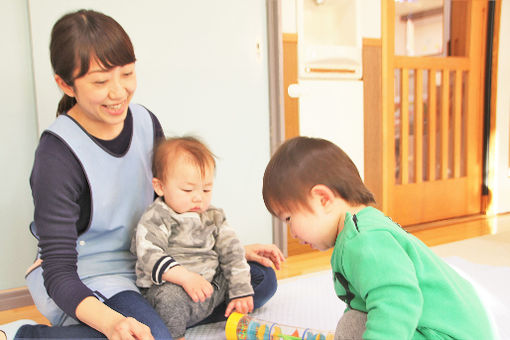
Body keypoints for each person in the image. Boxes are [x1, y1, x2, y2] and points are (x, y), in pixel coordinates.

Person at [1, 9, 283, 340]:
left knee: (260, 279)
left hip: (154, 261)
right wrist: (110, 323)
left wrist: (222, 248)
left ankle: (149, 321)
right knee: (150, 336)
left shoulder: (146, 123)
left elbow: (171, 206)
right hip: (94, 277)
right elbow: (60, 273)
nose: (118, 92)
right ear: (65, 84)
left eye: (127, 74)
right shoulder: (57, 155)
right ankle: (26, 335)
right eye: (101, 81)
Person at [262, 136, 494, 340]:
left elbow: (398, 304)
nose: (291, 233)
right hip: (447, 328)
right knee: (354, 323)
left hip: (446, 334)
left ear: (323, 199)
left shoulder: (365, 241)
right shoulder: (363, 227)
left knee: (354, 327)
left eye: (289, 218)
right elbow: (363, 302)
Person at [132, 136, 267, 339]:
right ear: (160, 187)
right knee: (169, 300)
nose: (198, 197)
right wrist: (185, 277)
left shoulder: (213, 215)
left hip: (211, 286)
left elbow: (232, 251)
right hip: (176, 289)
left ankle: (214, 311)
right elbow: (149, 254)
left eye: (206, 189)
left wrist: (241, 291)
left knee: (263, 277)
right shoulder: (157, 216)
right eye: (187, 189)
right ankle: (177, 332)